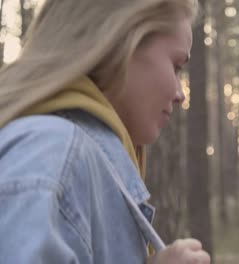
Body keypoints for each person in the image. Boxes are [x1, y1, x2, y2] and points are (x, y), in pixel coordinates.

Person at [0, 0, 210, 263]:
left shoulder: (72, 156)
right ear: (122, 44)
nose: (180, 94)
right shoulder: (52, 153)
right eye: (176, 66)